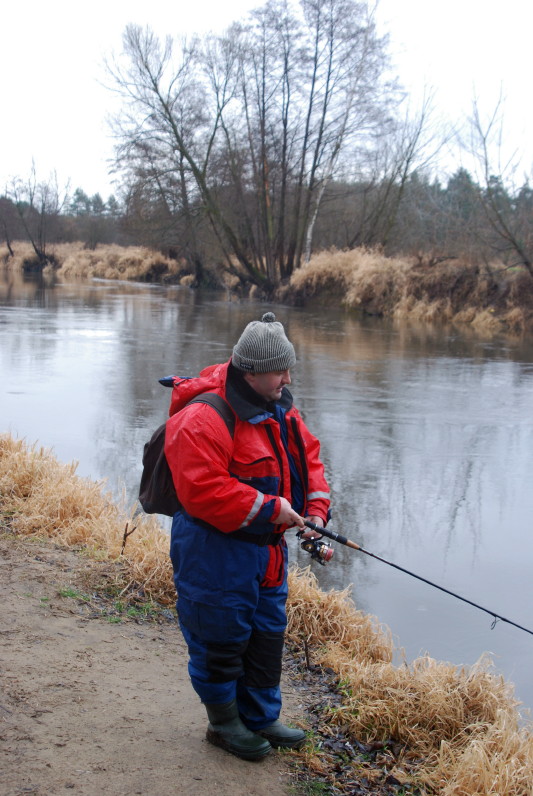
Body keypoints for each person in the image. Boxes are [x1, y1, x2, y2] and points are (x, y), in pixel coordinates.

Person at [166, 312, 331, 761]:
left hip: (267, 554)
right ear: (253, 371)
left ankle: (260, 718)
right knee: (219, 639)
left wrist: (315, 515)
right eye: (281, 370)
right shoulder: (203, 417)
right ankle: (223, 725)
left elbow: (310, 464)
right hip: (212, 553)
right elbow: (201, 491)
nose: (288, 377)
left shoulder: (282, 410)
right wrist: (273, 509)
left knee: (266, 635)